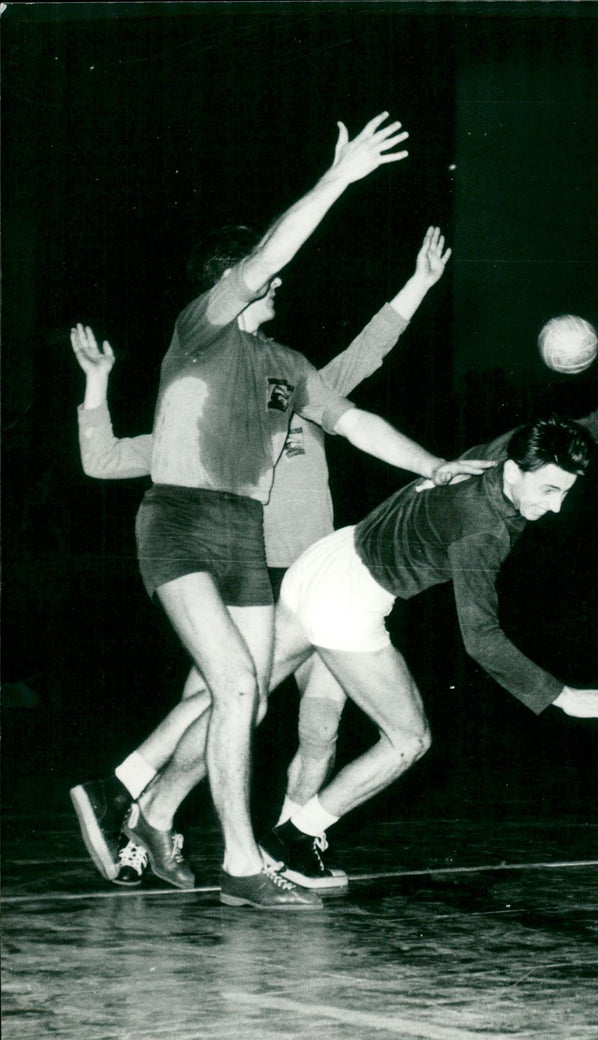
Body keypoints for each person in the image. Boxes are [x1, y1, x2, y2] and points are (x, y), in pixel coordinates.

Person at [130, 330, 598, 890]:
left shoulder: (520, 448)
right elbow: (481, 637)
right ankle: (294, 835)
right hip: (350, 600)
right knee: (408, 738)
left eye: (565, 492)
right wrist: (559, 695)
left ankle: (146, 804)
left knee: (244, 700)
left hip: (328, 558)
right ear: (516, 472)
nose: (556, 507)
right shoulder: (483, 529)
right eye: (550, 491)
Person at [70, 113, 493, 911]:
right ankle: (217, 844)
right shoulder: (199, 338)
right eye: (260, 274)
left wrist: (436, 464)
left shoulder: (288, 370)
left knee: (243, 698)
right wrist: (341, 177)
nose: (276, 281)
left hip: (262, 546)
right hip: (187, 522)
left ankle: (152, 807)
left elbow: (357, 415)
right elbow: (104, 459)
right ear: (230, 283)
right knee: (231, 690)